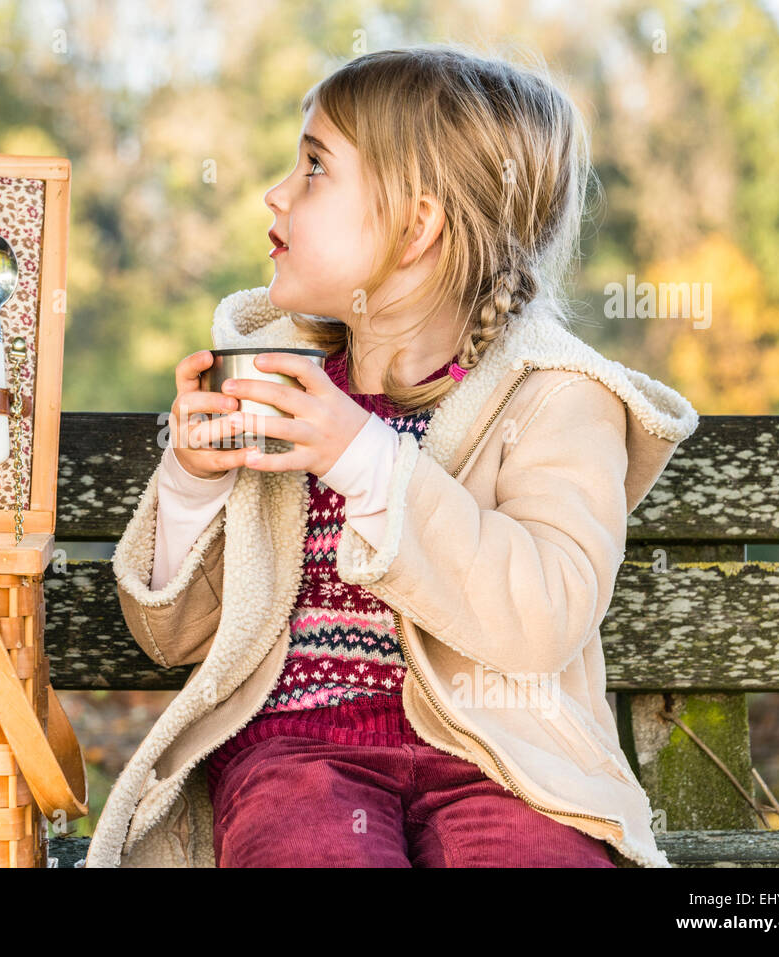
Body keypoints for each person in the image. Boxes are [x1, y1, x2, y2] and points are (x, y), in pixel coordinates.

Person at [86, 42, 699, 868]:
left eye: (313, 167)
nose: (276, 192)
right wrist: (192, 486)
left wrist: (361, 454)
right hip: (296, 755)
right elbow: (175, 638)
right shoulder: (279, 384)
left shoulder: (556, 398)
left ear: (416, 227)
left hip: (503, 765)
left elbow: (544, 615)